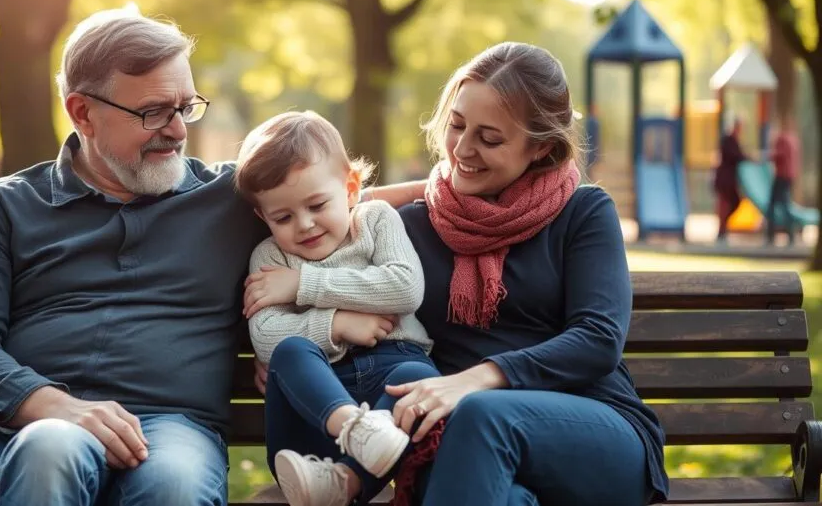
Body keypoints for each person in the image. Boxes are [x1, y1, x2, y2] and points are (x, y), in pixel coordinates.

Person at [0, 7, 425, 506]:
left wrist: (458, 181)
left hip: (170, 433)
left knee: (157, 481)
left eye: (186, 107)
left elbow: (332, 195)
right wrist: (55, 407)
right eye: (154, 112)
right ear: (82, 112)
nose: (177, 131)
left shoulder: (225, 199)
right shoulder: (2, 207)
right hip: (15, 425)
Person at [384, 42, 667, 505]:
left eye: (489, 138)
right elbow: (323, 206)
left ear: (541, 149)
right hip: (467, 448)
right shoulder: (416, 222)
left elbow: (598, 337)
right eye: (456, 126)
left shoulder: (584, 212)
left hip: (593, 426)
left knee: (482, 417)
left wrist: (477, 378)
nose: (462, 149)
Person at [235, 110, 439, 506]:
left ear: (350, 188)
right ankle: (356, 430)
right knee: (290, 351)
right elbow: (264, 337)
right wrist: (337, 324)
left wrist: (303, 284)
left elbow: (405, 288)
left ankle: (345, 481)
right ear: (263, 216)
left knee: (417, 377)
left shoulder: (376, 220)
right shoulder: (269, 257)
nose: (305, 224)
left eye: (316, 205)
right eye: (283, 217)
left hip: (390, 380)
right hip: (312, 417)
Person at [766, 118, 802, 246]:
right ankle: (789, 235)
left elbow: (778, 155)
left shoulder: (783, 139)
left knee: (774, 205)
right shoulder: (793, 139)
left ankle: (772, 236)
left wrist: (767, 155)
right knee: (784, 205)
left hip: (782, 175)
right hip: (789, 176)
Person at [713, 115, 747, 242]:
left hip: (730, 180)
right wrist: (748, 158)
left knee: (734, 202)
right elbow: (736, 156)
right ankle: (721, 231)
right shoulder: (728, 140)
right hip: (724, 180)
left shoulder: (734, 141)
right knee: (725, 205)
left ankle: (723, 228)